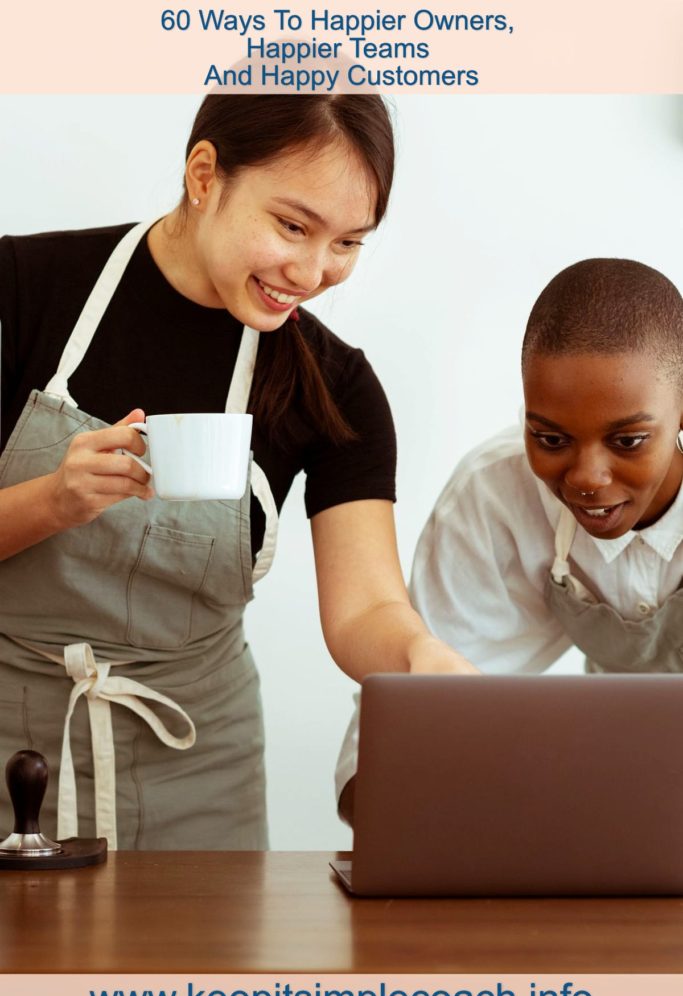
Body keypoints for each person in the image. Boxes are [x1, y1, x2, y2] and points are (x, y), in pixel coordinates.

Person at [0, 95, 473, 851]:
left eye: (348, 242)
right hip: (8, 749)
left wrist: (419, 655)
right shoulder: (21, 287)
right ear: (204, 174)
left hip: (201, 770)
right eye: (292, 225)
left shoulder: (336, 386)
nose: (313, 271)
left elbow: (362, 611)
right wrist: (53, 499)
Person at [336, 257, 683, 818]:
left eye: (628, 441)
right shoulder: (495, 501)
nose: (587, 479)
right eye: (550, 438)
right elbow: (389, 745)